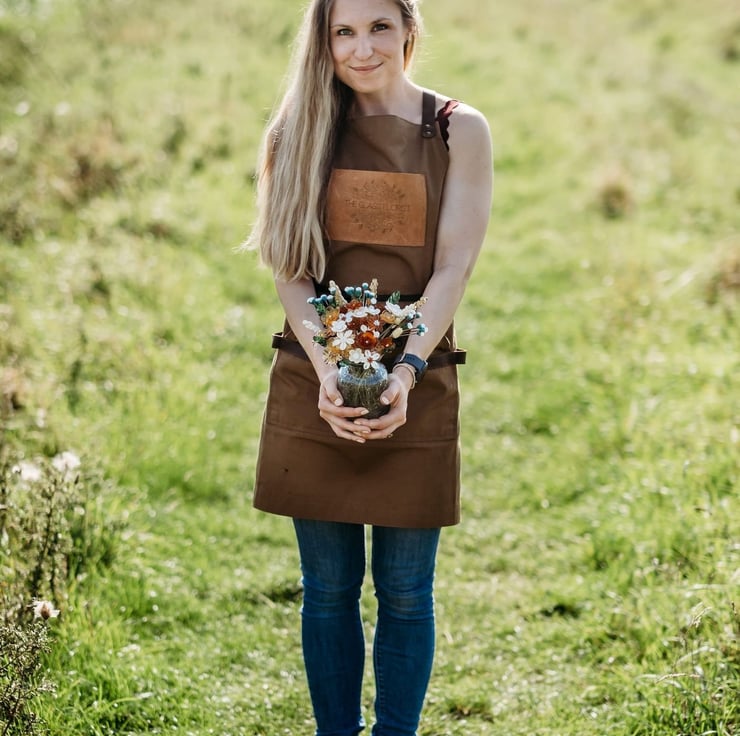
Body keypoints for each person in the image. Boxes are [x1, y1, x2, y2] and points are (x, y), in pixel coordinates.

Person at [246, 0, 493, 733]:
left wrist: (406, 371)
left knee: (407, 592)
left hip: (418, 373)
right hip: (313, 377)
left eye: (379, 27)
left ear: (409, 30)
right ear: (322, 43)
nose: (362, 49)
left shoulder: (457, 130)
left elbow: (453, 267)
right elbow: (290, 271)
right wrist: (329, 371)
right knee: (326, 590)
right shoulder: (294, 132)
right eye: (343, 32)